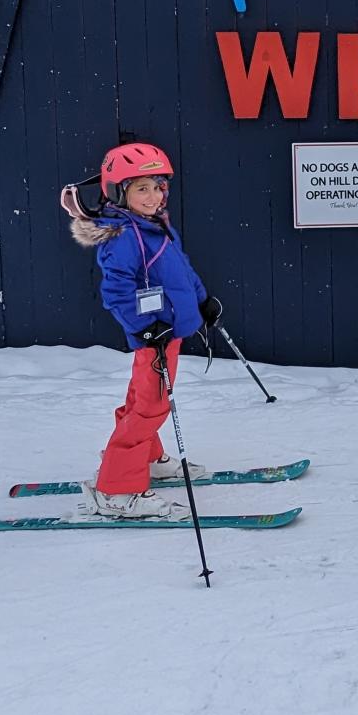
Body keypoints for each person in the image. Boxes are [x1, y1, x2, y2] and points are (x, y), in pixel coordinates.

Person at [65, 143, 221, 519]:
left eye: (158, 186)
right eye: (141, 189)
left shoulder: (154, 226)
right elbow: (116, 294)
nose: (154, 196)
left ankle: (147, 459)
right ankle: (115, 489)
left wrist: (201, 300)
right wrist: (145, 328)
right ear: (118, 192)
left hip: (168, 331)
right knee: (150, 407)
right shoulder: (122, 238)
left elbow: (180, 269)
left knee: (143, 400)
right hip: (155, 334)